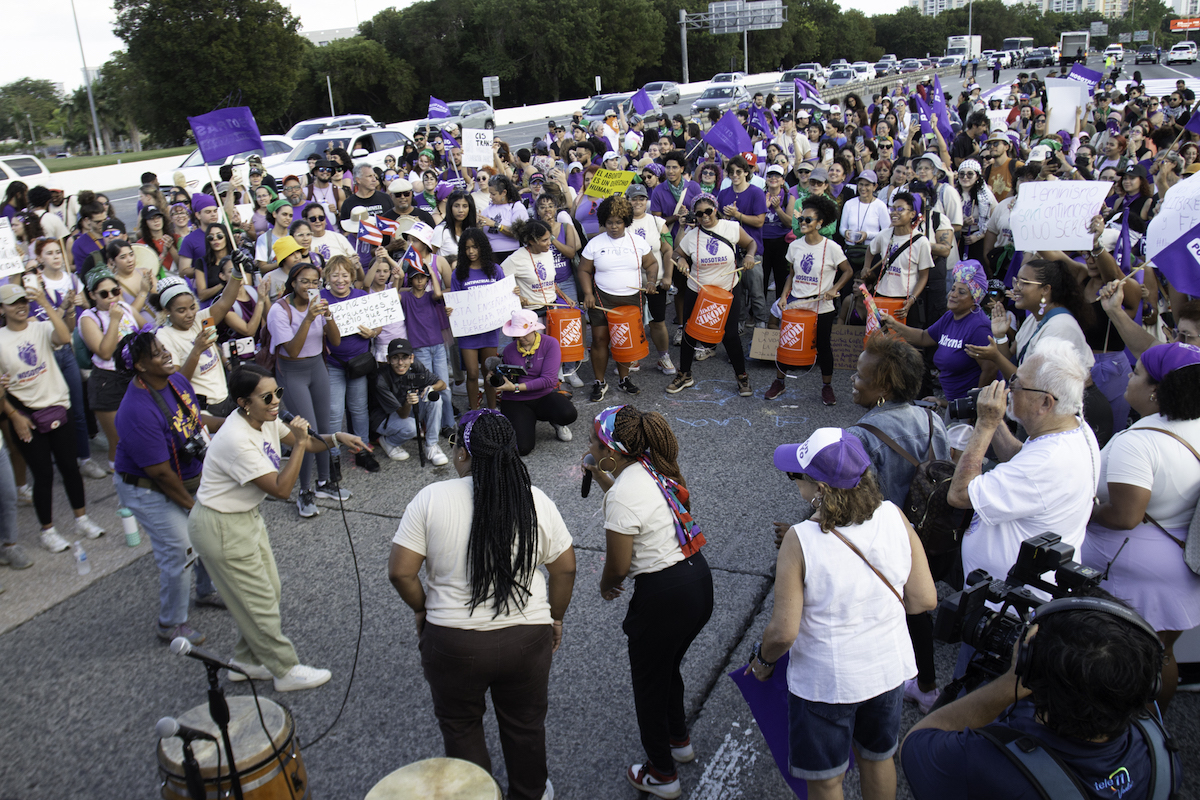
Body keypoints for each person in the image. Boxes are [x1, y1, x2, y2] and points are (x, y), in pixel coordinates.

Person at [388, 408, 576, 800]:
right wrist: (555, 619)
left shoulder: (430, 498)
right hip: (526, 639)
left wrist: (423, 610)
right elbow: (565, 569)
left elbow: (401, 573)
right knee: (525, 725)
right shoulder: (535, 500)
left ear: (462, 453)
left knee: (460, 727)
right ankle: (531, 792)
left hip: (453, 641)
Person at [751, 428, 936, 800]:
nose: (795, 482)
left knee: (826, 777)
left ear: (820, 487)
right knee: (878, 757)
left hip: (826, 683)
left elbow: (784, 631)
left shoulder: (800, 540)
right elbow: (924, 600)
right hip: (886, 672)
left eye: (796, 475)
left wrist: (762, 660)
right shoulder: (894, 516)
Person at [901, 589, 1181, 800]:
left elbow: (916, 743)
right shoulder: (1158, 749)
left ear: (1029, 665)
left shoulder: (985, 763)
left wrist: (1011, 680)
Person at [189, 364, 363, 691]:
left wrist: (336, 437)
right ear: (243, 402)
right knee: (257, 601)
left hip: (244, 517)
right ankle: (285, 670)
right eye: (267, 396)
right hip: (220, 525)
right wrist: (297, 443)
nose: (276, 401)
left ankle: (247, 661)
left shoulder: (265, 420)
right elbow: (283, 489)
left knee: (269, 591)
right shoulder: (235, 439)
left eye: (278, 393)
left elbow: (309, 443)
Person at [581, 404, 711, 800]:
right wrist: (600, 474)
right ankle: (679, 740)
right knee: (667, 669)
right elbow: (628, 503)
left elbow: (618, 565)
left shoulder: (624, 494)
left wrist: (606, 586)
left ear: (612, 450)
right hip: (697, 583)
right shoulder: (650, 469)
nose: (588, 444)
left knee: (649, 687)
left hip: (663, 598)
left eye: (593, 440)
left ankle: (662, 774)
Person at [1084, 342, 1200, 713]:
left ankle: (1117, 733)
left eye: (1135, 373)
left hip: (1136, 570)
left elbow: (1125, 516)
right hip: (1183, 559)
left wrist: (1090, 510)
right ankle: (1154, 734)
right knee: (1160, 653)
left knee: (1114, 655)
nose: (1128, 379)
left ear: (1155, 390)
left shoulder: (1140, 443)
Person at [948, 338, 1100, 596]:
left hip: (1005, 602)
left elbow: (960, 494)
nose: (1009, 388)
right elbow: (1021, 457)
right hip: (1016, 587)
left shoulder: (1048, 462)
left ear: (1046, 403)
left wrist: (984, 425)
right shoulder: (1074, 426)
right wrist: (995, 422)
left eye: (1018, 384)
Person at [113, 331, 224, 645]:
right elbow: (160, 472)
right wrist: (193, 508)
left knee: (206, 534)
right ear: (140, 366)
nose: (165, 354)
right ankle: (170, 624)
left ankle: (205, 592)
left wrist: (232, 420)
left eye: (163, 348)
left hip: (182, 476)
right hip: (146, 487)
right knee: (180, 549)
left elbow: (193, 419)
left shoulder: (175, 381)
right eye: (156, 352)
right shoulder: (135, 411)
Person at [0, 282, 106, 551]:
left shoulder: (40, 327)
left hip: (58, 407)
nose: (21, 306)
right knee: (43, 474)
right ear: (2, 308)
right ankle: (47, 531)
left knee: (70, 467)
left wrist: (46, 305)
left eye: (23, 301)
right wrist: (14, 416)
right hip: (25, 416)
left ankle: (81, 518)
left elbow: (64, 335)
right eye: (13, 303)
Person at [266, 263, 348, 518]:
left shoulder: (319, 304)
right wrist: (310, 317)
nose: (310, 287)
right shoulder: (279, 310)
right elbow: (291, 349)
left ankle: (324, 482)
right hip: (292, 372)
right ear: (292, 283)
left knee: (323, 427)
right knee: (306, 431)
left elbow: (335, 341)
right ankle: (304, 490)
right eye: (304, 281)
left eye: (315, 282)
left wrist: (329, 317)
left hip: (317, 368)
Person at [764, 195, 853, 404]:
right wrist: (784, 296)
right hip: (796, 303)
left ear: (820, 223)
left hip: (822, 306)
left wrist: (834, 289)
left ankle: (827, 386)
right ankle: (779, 382)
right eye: (801, 219)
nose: (802, 223)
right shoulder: (795, 245)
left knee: (823, 345)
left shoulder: (832, 247)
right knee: (786, 343)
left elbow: (848, 271)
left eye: (808, 220)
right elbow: (791, 275)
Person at [667, 193, 757, 397]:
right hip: (699, 290)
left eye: (708, 211)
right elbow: (676, 253)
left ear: (715, 209)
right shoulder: (692, 235)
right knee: (690, 332)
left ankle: (741, 376)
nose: (704, 216)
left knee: (731, 335)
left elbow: (750, 243)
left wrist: (750, 255)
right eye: (699, 214)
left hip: (727, 289)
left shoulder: (731, 228)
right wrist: (680, 260)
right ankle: (685, 374)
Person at [578, 196, 659, 402]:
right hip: (601, 299)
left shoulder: (638, 242)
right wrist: (588, 294)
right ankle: (599, 382)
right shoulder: (595, 243)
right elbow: (584, 270)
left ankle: (624, 379)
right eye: (609, 222)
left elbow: (652, 264)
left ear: (626, 221)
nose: (613, 227)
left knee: (623, 341)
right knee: (599, 340)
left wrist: (650, 282)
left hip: (630, 300)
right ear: (603, 222)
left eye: (618, 222)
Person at [881, 260, 995, 403]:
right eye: (953, 289)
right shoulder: (950, 316)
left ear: (974, 299)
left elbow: (990, 369)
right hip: (953, 404)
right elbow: (923, 337)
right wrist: (893, 324)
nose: (953, 294)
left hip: (968, 409)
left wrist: (974, 407)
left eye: (962, 292)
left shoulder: (979, 328)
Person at [79, 269, 154, 470]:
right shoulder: (89, 317)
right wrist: (114, 321)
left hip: (133, 376)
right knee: (119, 440)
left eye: (115, 291)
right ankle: (120, 480)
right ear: (93, 295)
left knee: (142, 432)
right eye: (104, 294)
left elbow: (147, 330)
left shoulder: (124, 307)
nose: (112, 297)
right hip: (107, 381)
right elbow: (105, 352)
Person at [320, 255, 383, 474]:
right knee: (335, 411)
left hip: (359, 363)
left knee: (359, 409)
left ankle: (363, 451)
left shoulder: (361, 295)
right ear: (327, 277)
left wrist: (373, 332)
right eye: (335, 275)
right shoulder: (321, 298)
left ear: (352, 276)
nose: (340, 280)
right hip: (334, 363)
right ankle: (333, 457)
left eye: (345, 275)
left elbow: (378, 324)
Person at [490, 310, 576, 455]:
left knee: (568, 413)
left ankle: (556, 421)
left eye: (524, 333)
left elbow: (549, 380)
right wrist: (494, 379)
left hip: (543, 395)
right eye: (517, 334)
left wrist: (516, 387)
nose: (521, 337)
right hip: (516, 400)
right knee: (522, 448)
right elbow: (507, 377)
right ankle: (526, 421)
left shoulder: (550, 343)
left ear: (535, 330)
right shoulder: (509, 350)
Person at [444, 229, 505, 410]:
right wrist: (450, 309)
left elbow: (504, 294)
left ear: (482, 248)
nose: (471, 251)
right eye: (467, 248)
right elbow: (456, 300)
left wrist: (513, 292)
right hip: (468, 332)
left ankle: (492, 410)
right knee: (471, 373)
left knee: (489, 372)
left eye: (475, 247)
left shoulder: (495, 269)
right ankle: (474, 413)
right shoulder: (458, 273)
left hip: (489, 329)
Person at [374, 337, 449, 465]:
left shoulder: (415, 366)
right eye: (395, 358)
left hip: (407, 410)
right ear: (388, 359)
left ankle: (432, 445)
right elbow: (402, 414)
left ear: (411, 358)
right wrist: (409, 401)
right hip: (384, 417)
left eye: (404, 357)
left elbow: (442, 384)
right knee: (412, 428)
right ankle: (389, 442)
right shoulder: (382, 379)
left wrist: (431, 388)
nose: (400, 362)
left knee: (435, 399)